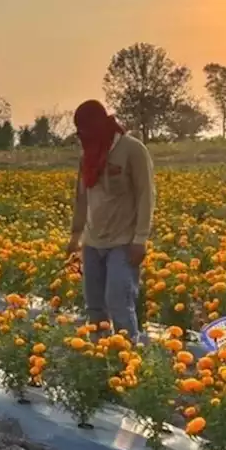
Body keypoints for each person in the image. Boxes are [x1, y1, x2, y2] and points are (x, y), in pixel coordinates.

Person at [65, 99, 156, 344]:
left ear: (99, 125)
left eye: (85, 130)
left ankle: (127, 361)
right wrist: (76, 236)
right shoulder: (88, 156)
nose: (83, 136)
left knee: (119, 302)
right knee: (94, 305)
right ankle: (100, 357)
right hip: (93, 242)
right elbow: (81, 197)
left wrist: (140, 239)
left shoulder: (132, 150)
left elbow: (146, 195)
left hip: (123, 242)